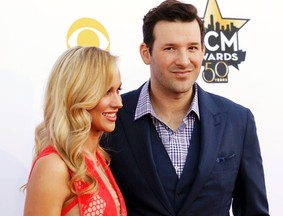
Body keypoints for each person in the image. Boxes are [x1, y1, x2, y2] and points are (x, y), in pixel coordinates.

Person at [101, 0, 269, 215]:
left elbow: (253, 210)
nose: (183, 60)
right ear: (146, 53)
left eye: (192, 48)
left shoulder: (238, 120)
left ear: (203, 51)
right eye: (170, 48)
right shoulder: (112, 118)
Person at [23, 46, 127, 216]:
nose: (119, 102)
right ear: (79, 95)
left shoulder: (97, 157)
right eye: (107, 92)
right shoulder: (54, 166)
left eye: (118, 90)